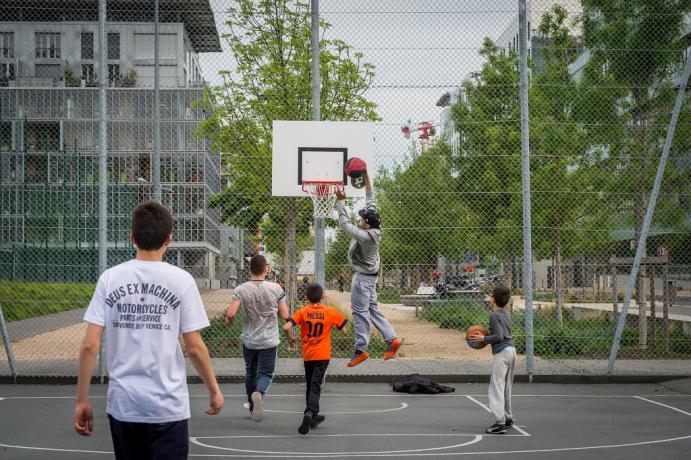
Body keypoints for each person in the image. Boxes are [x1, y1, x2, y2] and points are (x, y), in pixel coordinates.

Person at [74, 201, 223, 459]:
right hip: (167, 405)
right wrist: (213, 389)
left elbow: (89, 345)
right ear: (169, 239)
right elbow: (194, 347)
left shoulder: (110, 278)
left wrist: (81, 401)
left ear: (132, 237)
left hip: (124, 404)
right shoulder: (182, 280)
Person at [335, 168, 401, 367]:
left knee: (359, 312)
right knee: (372, 310)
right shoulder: (374, 226)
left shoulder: (365, 237)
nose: (360, 219)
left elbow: (345, 224)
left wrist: (340, 202)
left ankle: (361, 350)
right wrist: (366, 178)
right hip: (370, 277)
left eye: (362, 219)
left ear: (367, 224)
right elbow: (371, 199)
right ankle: (392, 339)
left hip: (363, 279)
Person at [226, 254, 289, 422]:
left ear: (249, 269)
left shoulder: (241, 289)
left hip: (250, 339)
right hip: (268, 339)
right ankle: (259, 393)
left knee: (250, 372)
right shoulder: (276, 288)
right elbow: (284, 314)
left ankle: (252, 406)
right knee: (266, 373)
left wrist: (229, 320)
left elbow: (231, 313)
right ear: (266, 269)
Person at [283, 283, 348, 435]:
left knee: (310, 384)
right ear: (323, 296)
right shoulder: (331, 311)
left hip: (309, 355)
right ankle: (310, 412)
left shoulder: (303, 311)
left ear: (306, 297)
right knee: (315, 385)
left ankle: (313, 415)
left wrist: (291, 339)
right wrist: (334, 327)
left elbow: (286, 327)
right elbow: (344, 330)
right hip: (323, 355)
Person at [468, 285, 516, 434]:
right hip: (512, 351)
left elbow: (499, 336)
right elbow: (503, 333)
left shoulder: (494, 315)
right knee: (506, 387)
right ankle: (508, 418)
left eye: (490, 295)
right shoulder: (506, 313)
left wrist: (484, 338)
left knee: (496, 388)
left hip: (502, 353)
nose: (489, 297)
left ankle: (499, 423)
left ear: (493, 299)